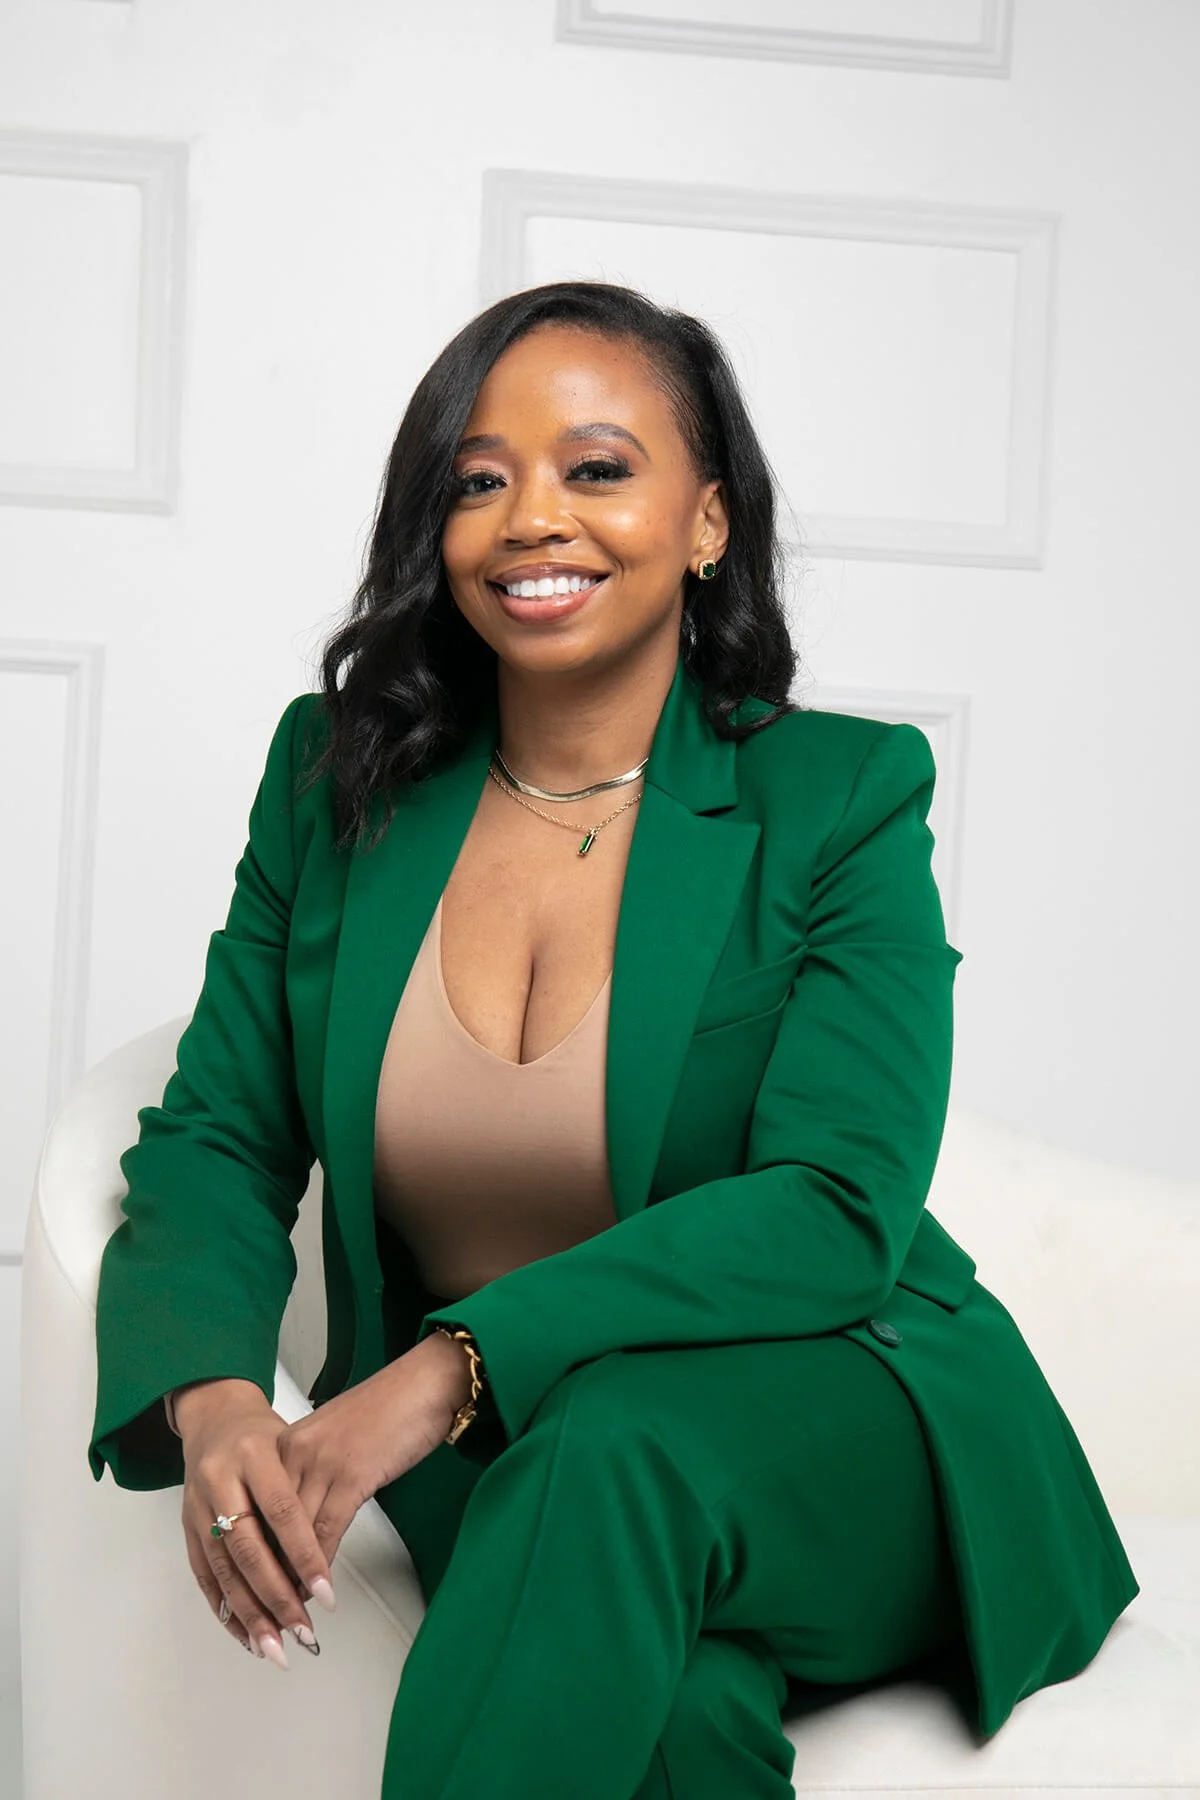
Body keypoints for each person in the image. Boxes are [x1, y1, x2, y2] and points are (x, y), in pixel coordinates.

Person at [89, 279, 1138, 1799]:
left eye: (596, 468)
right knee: (671, 1722)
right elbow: (220, 1138)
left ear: (707, 523)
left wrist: (446, 1372)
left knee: (610, 1447)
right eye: (478, 477)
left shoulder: (840, 798)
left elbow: (835, 1207)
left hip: (834, 1414)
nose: (532, 517)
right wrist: (218, 1396)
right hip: (527, 1474)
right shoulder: (337, 781)